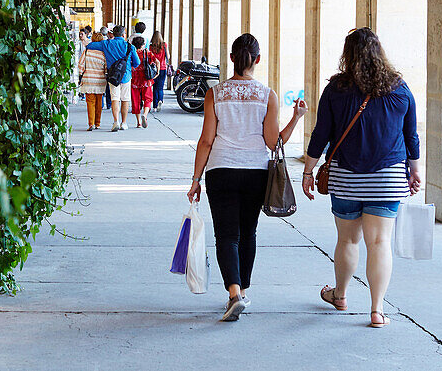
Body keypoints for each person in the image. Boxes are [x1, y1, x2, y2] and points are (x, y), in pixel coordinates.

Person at [301, 27, 421, 329]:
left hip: (346, 177)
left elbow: (321, 134)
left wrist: (308, 170)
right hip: (388, 178)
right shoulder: (399, 89)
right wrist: (415, 171)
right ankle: (377, 310)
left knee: (347, 239)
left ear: (348, 54)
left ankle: (340, 294)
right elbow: (411, 136)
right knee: (380, 242)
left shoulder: (336, 89)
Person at [187, 33, 308, 322]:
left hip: (221, 171)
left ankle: (234, 292)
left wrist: (195, 179)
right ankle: (242, 290)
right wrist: (297, 117)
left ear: (231, 59)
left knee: (226, 235)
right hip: (256, 172)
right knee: (248, 233)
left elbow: (206, 140)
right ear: (257, 59)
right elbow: (272, 142)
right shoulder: (267, 95)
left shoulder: (215, 93)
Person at [84, 25, 140, 131]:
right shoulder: (130, 46)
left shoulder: (107, 44)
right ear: (124, 35)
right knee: (125, 99)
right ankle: (124, 123)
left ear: (113, 34)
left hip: (113, 76)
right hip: (126, 76)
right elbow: (137, 63)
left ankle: (116, 122)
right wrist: (127, 65)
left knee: (115, 99)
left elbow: (90, 46)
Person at [78, 32, 107, 131]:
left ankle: (91, 123)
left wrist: (81, 73)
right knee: (99, 103)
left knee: (90, 102)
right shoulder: (103, 53)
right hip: (100, 81)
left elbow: (80, 65)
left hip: (88, 80)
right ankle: (97, 123)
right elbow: (106, 68)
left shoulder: (87, 51)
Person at [130, 36, 154, 128]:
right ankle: (145, 114)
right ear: (143, 44)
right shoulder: (147, 52)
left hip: (134, 79)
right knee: (148, 98)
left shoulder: (132, 52)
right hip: (146, 79)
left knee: (136, 100)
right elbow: (155, 62)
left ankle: (139, 122)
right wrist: (157, 73)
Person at [148, 31, 170, 112]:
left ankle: (154, 106)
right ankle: (160, 100)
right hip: (162, 68)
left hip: (153, 69)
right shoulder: (164, 45)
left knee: (154, 88)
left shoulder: (151, 47)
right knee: (160, 87)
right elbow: (168, 56)